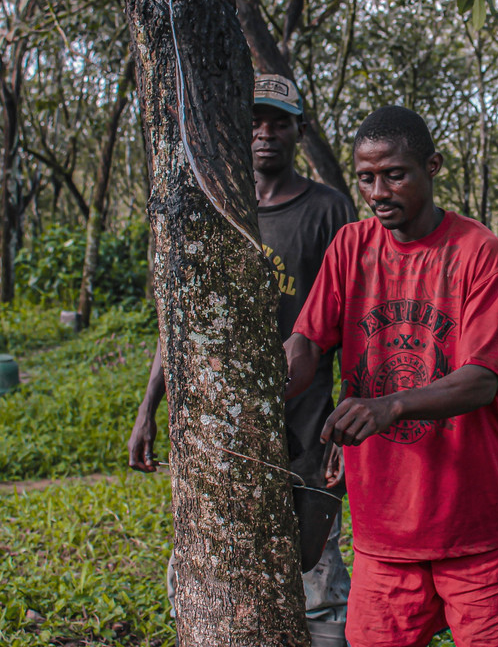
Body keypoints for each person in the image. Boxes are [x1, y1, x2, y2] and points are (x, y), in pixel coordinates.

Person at [283, 105, 498, 647]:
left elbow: (482, 378)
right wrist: (264, 391)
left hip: (474, 522)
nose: (378, 192)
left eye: (394, 175)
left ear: (432, 166)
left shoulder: (477, 252)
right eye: (366, 178)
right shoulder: (350, 247)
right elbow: (307, 342)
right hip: (383, 528)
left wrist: (390, 406)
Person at [127, 73, 356, 646]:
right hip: (221, 429)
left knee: (318, 577)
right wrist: (148, 408)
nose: (265, 134)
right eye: (254, 122)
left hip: (308, 425)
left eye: (279, 122)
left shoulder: (329, 210)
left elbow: (356, 320)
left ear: (299, 131)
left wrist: (347, 418)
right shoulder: (213, 209)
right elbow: (182, 321)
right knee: (207, 568)